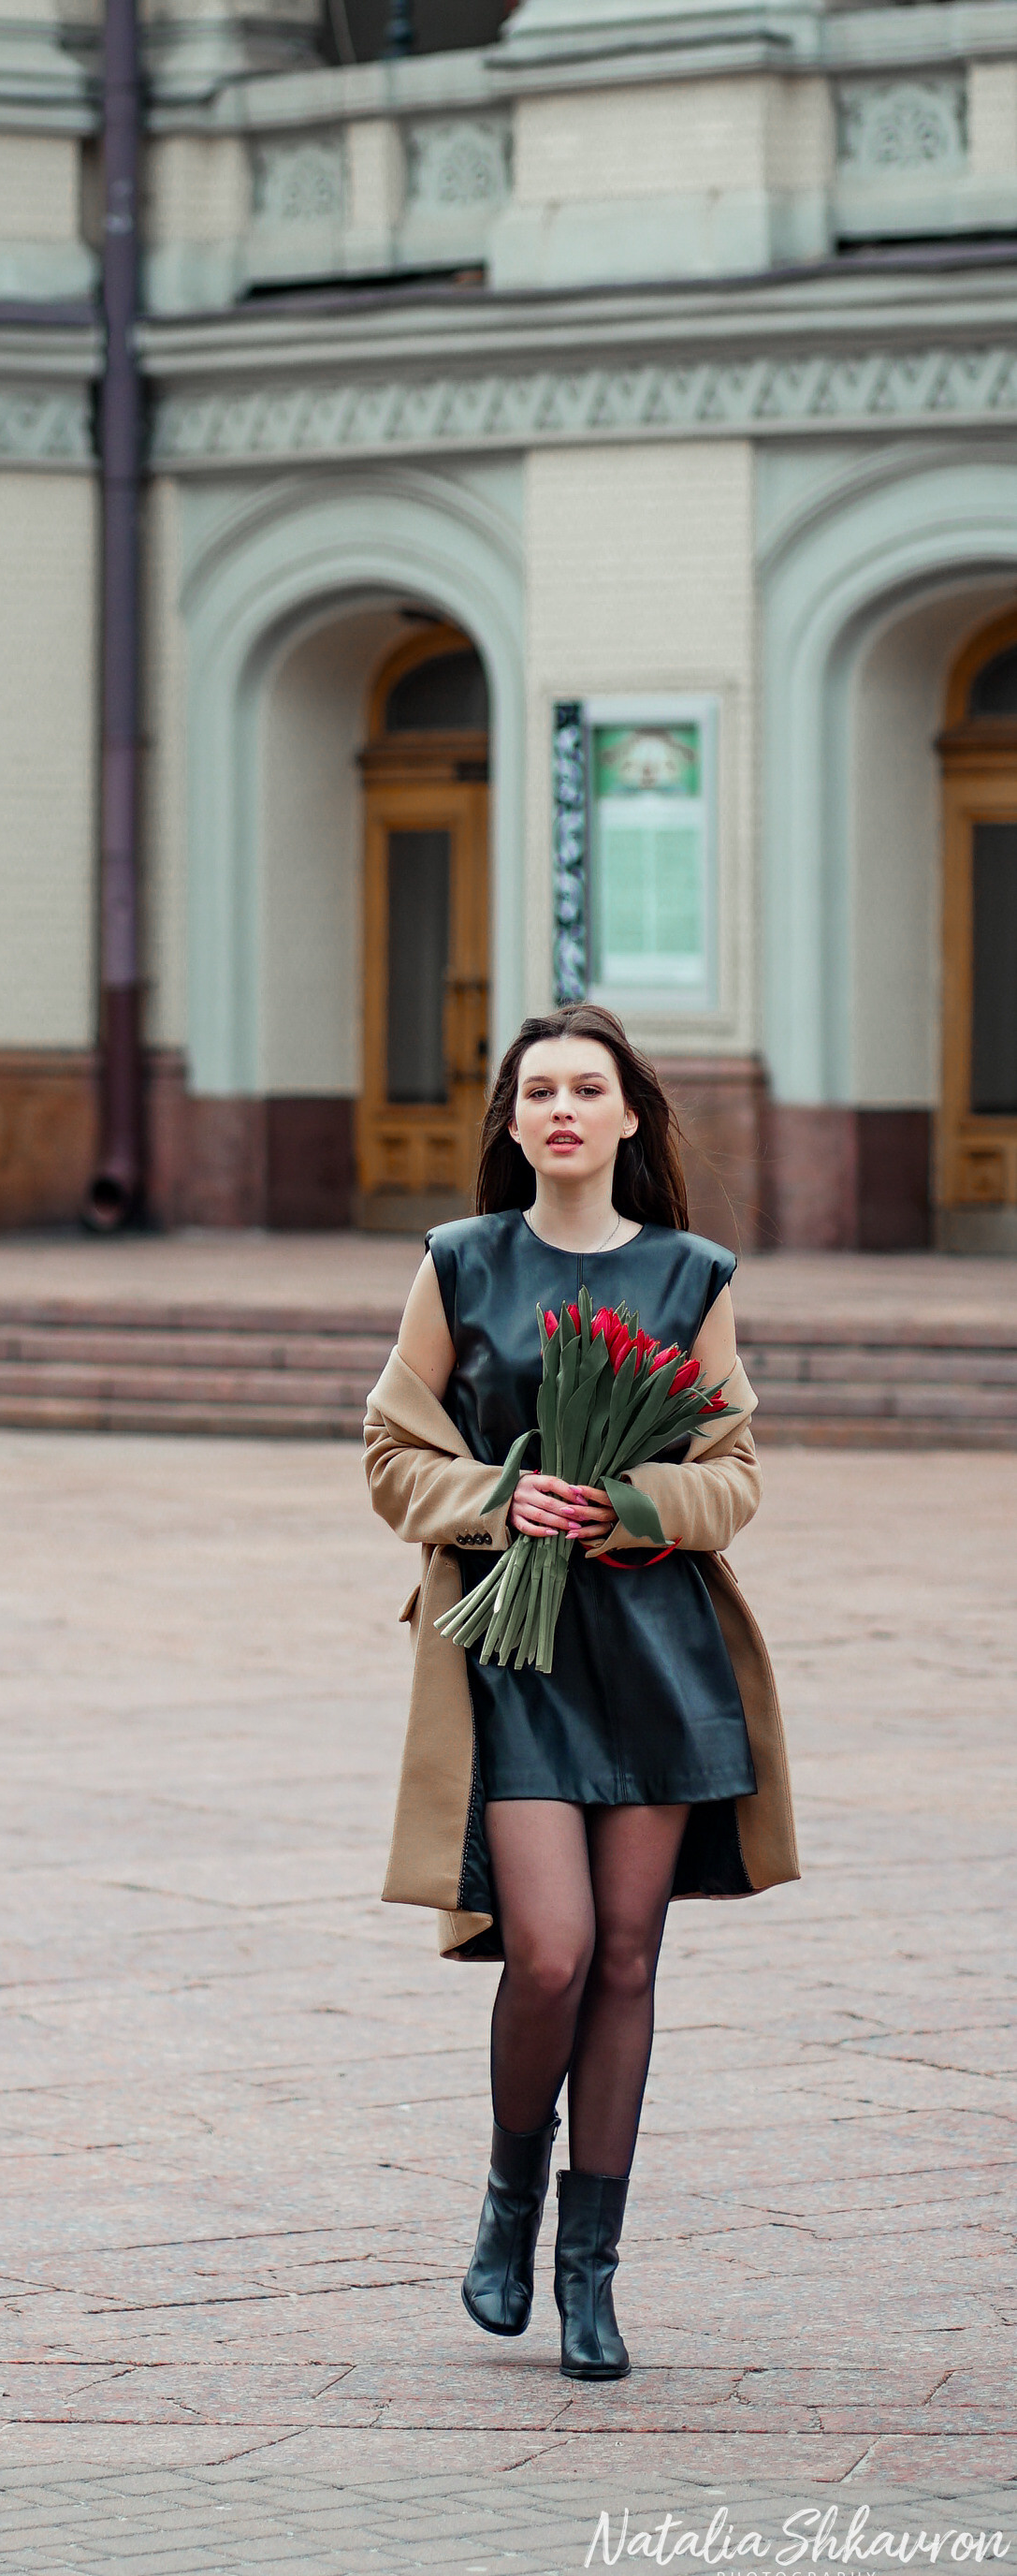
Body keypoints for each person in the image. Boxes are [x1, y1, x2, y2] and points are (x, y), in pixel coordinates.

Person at [363, 1004, 798, 2381]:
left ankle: (589, 2270)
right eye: (539, 1089)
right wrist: (500, 1497)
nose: (562, 1108)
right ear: (512, 1119)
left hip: (659, 1658)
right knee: (547, 1951)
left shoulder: (690, 1275)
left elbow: (734, 1474)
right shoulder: (460, 1264)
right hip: (519, 1657)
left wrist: (633, 1504)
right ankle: (511, 2194)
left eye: (587, 1089)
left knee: (625, 1957)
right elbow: (391, 1454)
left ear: (628, 1118)